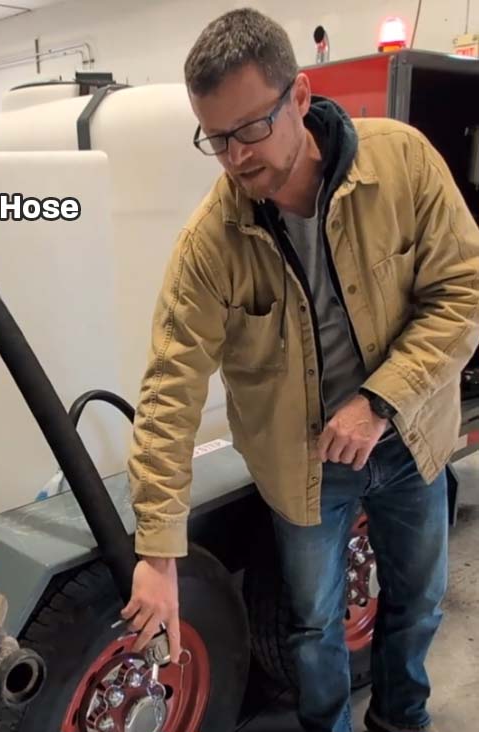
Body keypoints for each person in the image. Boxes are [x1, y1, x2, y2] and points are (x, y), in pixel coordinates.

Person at [121, 8, 479, 732]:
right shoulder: (210, 245)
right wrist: (157, 551)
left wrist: (379, 402)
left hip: (408, 442)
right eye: (215, 138)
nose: (235, 157)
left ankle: (399, 720)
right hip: (304, 468)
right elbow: (169, 390)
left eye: (251, 128)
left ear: (301, 97)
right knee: (313, 628)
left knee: (417, 603)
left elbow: (463, 293)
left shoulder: (402, 165)